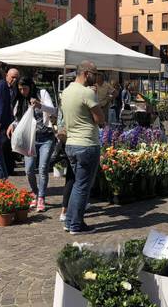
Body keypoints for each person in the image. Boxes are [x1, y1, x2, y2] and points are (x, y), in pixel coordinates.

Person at [61, 60, 105, 235]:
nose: (97, 76)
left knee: (77, 185)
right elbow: (99, 119)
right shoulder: (87, 93)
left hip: (71, 143)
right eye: (95, 73)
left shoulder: (66, 91)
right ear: (86, 73)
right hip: (86, 143)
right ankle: (76, 225)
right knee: (82, 186)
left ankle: (70, 221)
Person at [7, 76, 57, 212]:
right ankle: (35, 192)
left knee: (43, 168)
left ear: (31, 86)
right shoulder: (20, 100)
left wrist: (40, 105)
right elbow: (19, 119)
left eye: (25, 88)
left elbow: (54, 111)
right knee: (28, 170)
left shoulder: (42, 94)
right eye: (20, 89)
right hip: (30, 140)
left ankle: (41, 197)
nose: (23, 91)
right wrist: (12, 124)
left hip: (46, 137)